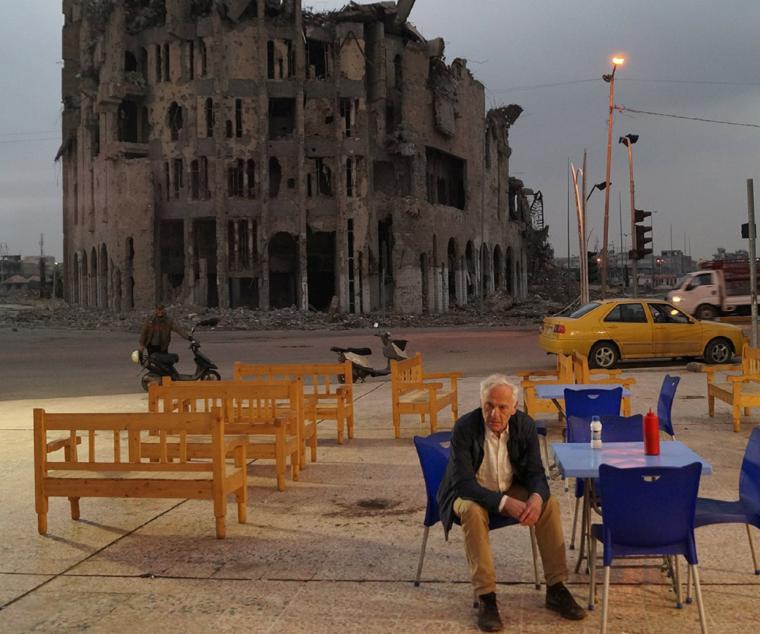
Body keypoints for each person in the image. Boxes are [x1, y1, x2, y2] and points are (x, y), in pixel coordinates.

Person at [437, 374, 585, 632]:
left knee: (549, 506)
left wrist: (536, 498)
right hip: (469, 493)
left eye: (502, 407)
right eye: (489, 405)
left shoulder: (524, 426)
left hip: (507, 487)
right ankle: (487, 597)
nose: (494, 413)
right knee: (472, 511)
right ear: (481, 403)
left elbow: (536, 473)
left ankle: (556, 587)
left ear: (513, 408)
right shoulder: (465, 427)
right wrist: (504, 503)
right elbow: (463, 484)